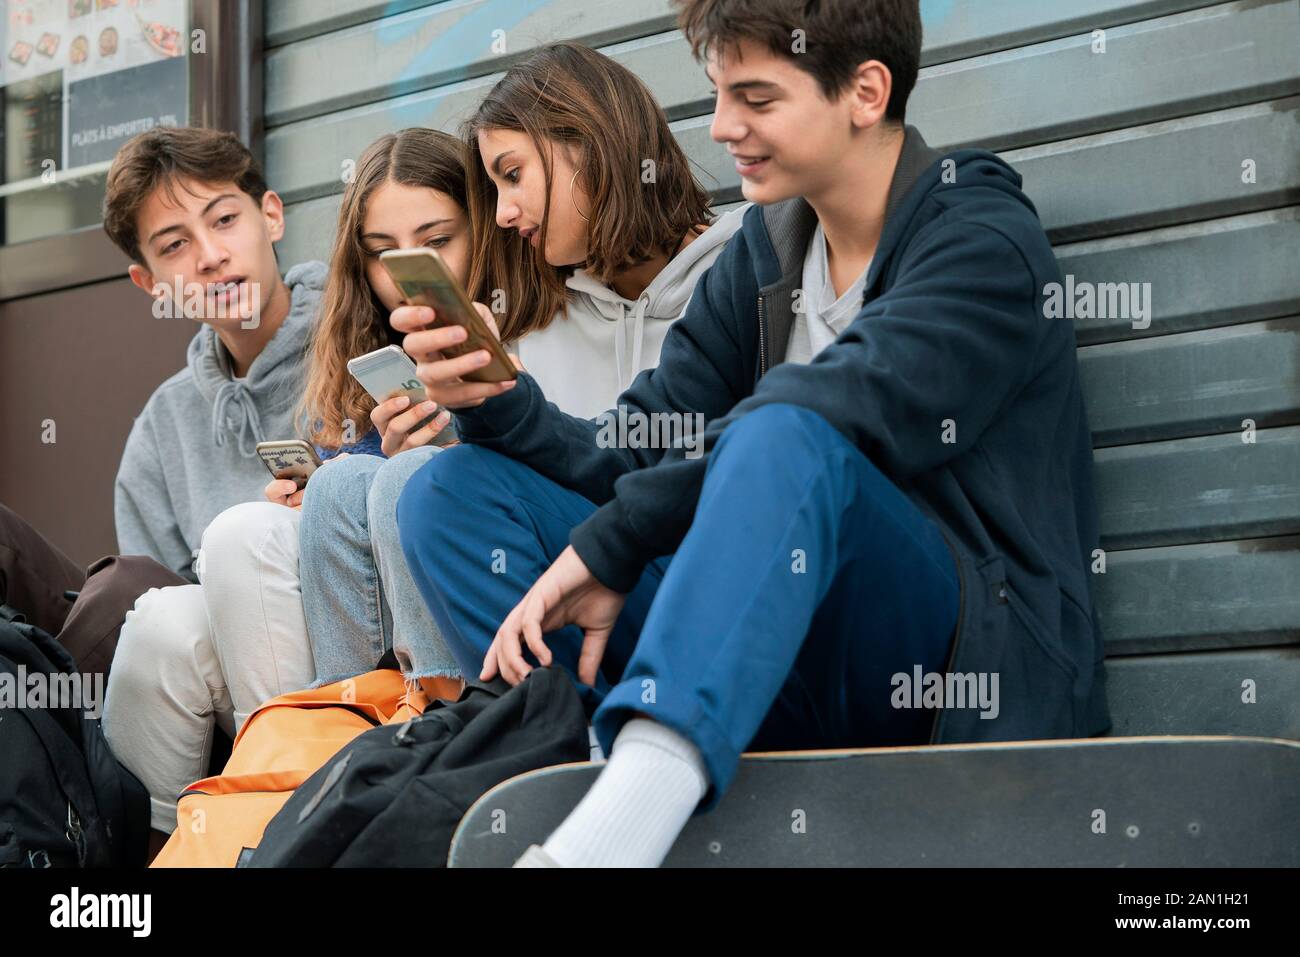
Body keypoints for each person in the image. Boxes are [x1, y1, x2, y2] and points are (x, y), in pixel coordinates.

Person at [395, 0, 1110, 868]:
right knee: (448, 491)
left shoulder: (981, 238)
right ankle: (585, 767)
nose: (723, 126)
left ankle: (608, 840)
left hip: (954, 667)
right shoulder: (766, 252)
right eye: (719, 94)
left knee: (789, 431)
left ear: (865, 91)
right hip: (767, 658)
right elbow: (644, 446)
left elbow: (838, 410)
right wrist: (499, 401)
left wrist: (618, 541)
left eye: (757, 98)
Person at [105, 126, 327, 581]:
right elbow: (158, 611)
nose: (209, 256)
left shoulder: (367, 340)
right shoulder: (162, 424)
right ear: (150, 283)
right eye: (174, 245)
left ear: (271, 216)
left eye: (224, 219)